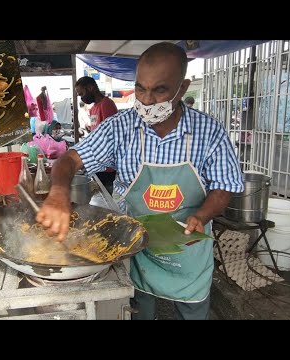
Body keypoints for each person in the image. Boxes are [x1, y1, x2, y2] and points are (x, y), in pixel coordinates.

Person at [36, 42, 244, 320]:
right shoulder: (121, 126)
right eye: (140, 88)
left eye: (159, 90)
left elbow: (225, 186)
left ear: (182, 88)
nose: (146, 100)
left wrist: (202, 215)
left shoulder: (209, 131)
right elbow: (70, 160)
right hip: (138, 246)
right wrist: (59, 193)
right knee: (136, 310)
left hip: (188, 250)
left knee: (192, 312)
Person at [75, 76, 119, 195]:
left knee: (104, 197)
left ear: (90, 87)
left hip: (107, 165)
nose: (81, 97)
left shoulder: (106, 104)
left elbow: (110, 135)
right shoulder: (93, 109)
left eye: (82, 93)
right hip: (97, 162)